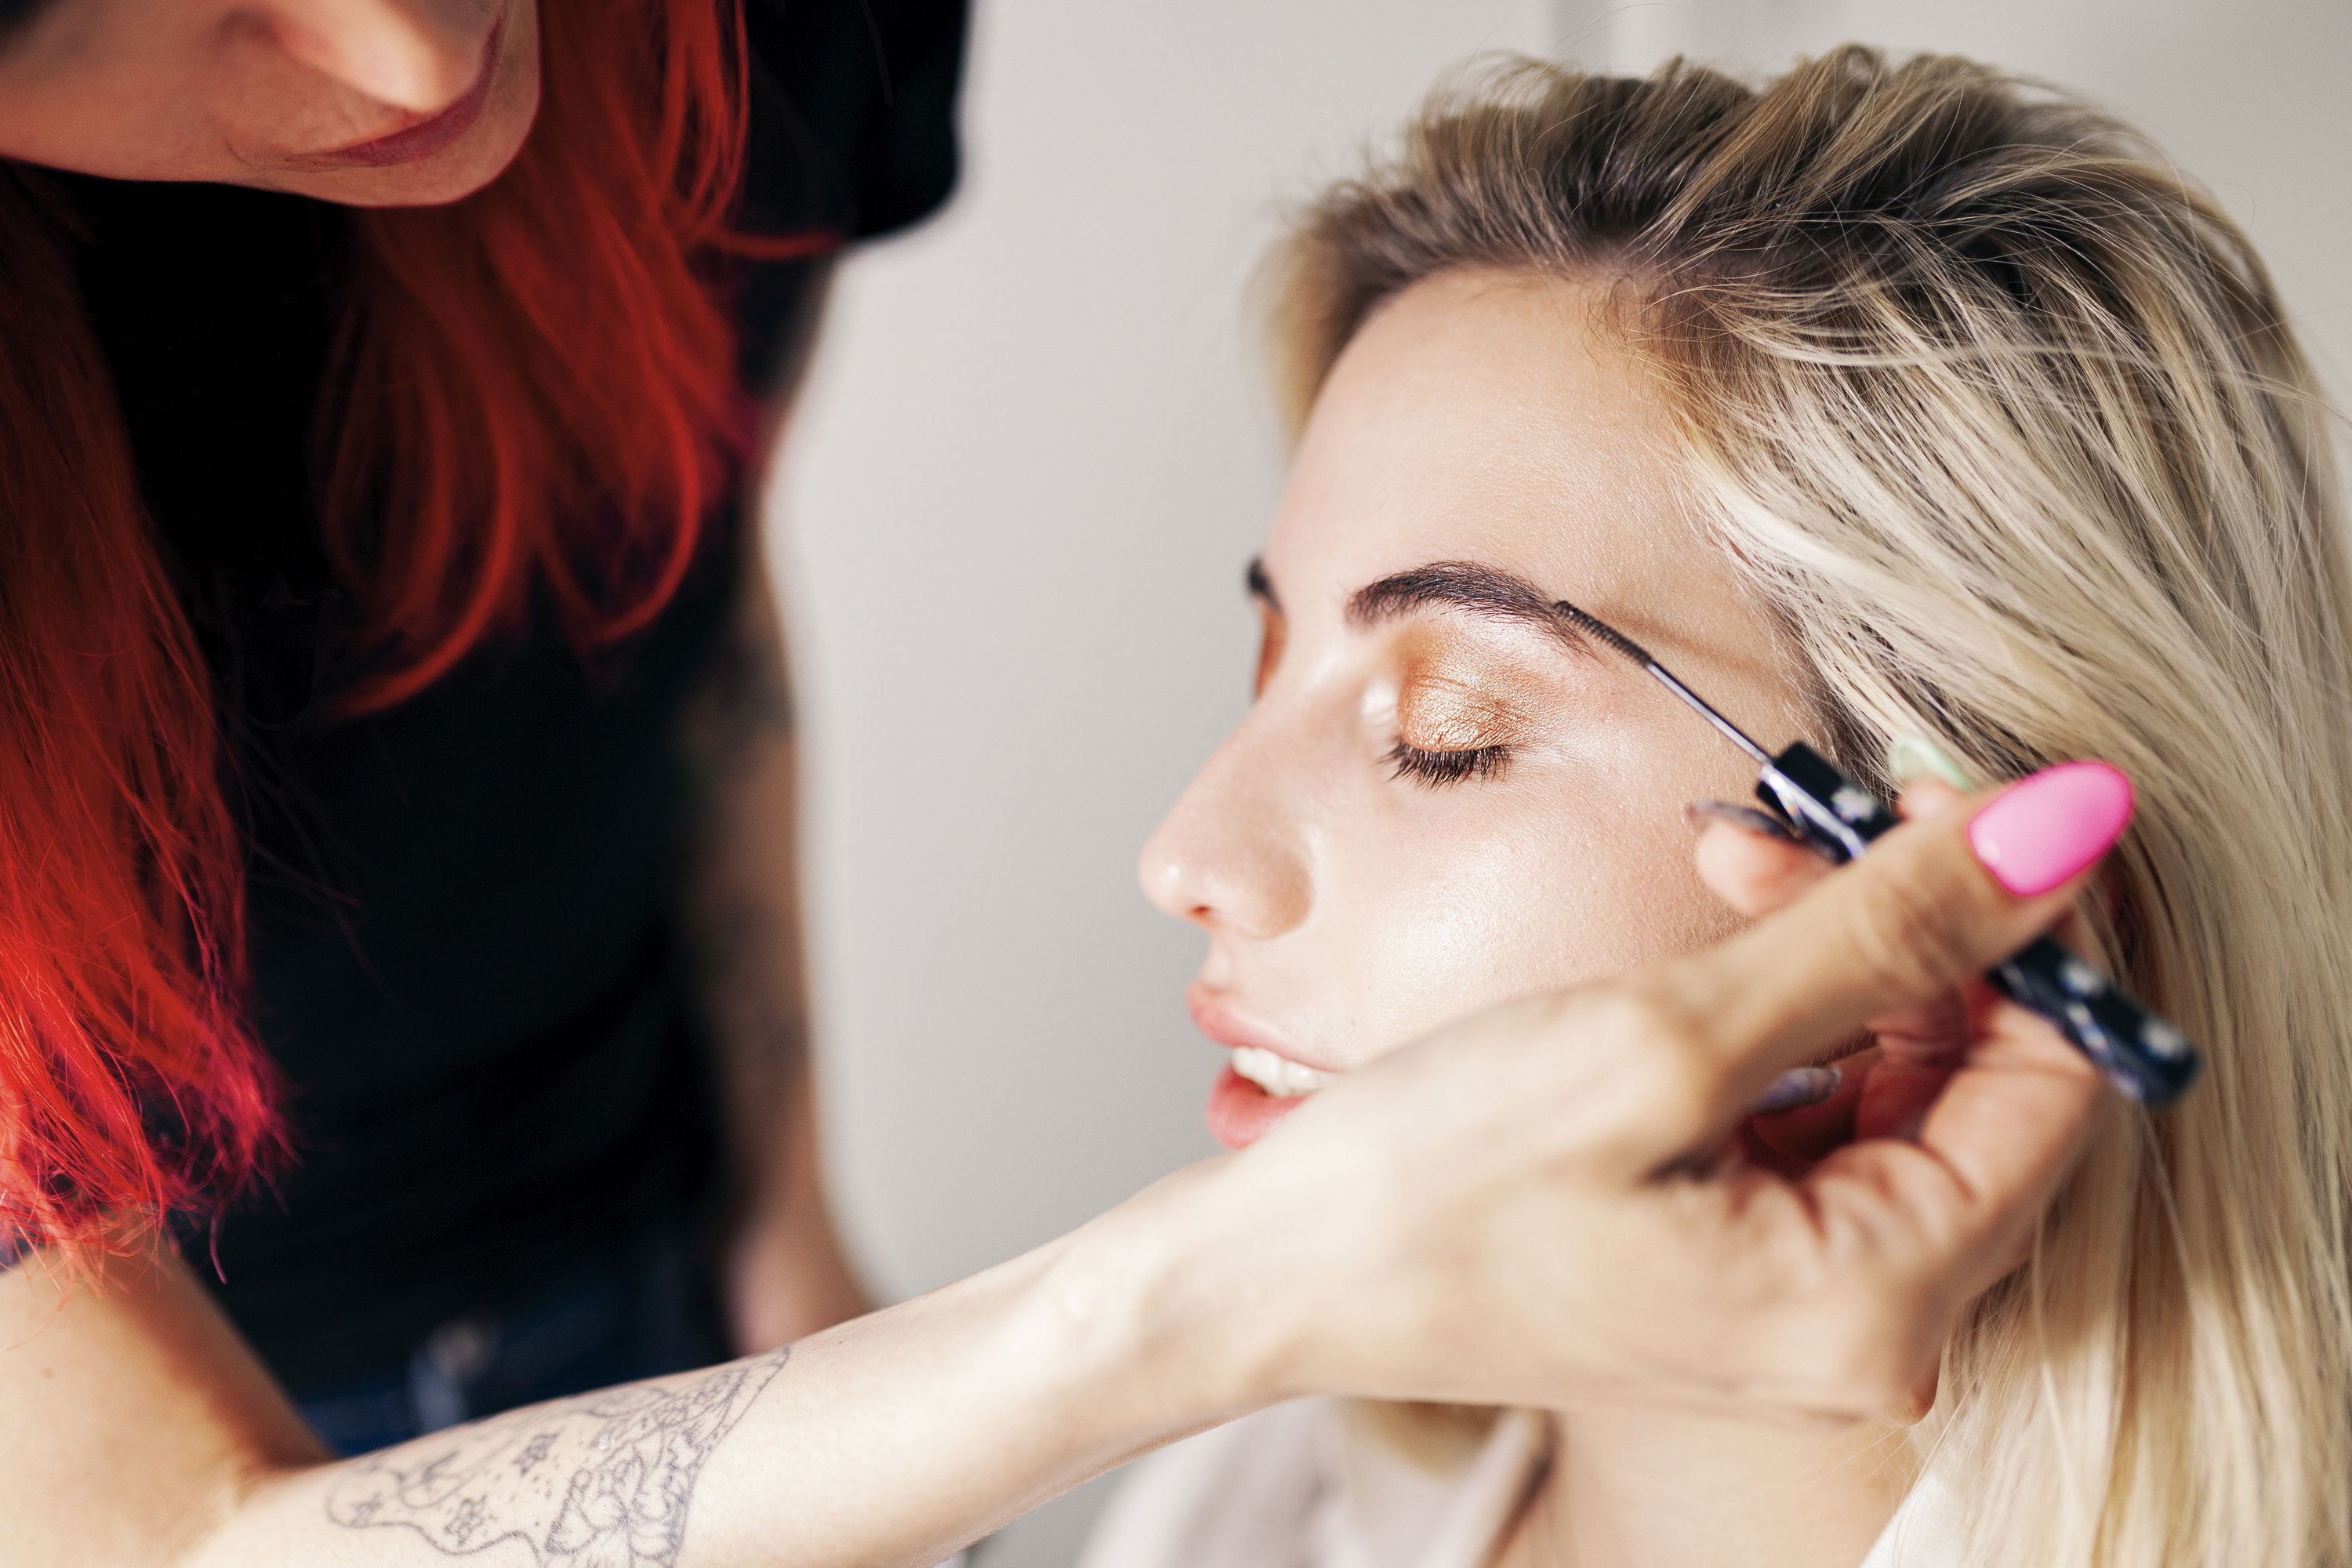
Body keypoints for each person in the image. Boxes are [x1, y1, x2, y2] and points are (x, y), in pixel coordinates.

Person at [0, 8, 2128, 1566]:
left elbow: (683, 579)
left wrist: (788, 1232)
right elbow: (160, 1539)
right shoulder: (1258, 1505)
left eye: (1442, 728)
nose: (405, 54)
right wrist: (1192, 1304)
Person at [1080, 48, 2352, 1568]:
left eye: (1444, 734)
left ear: (1950, 919)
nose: (1185, 855)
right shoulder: (1258, 1505)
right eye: (1268, 662)